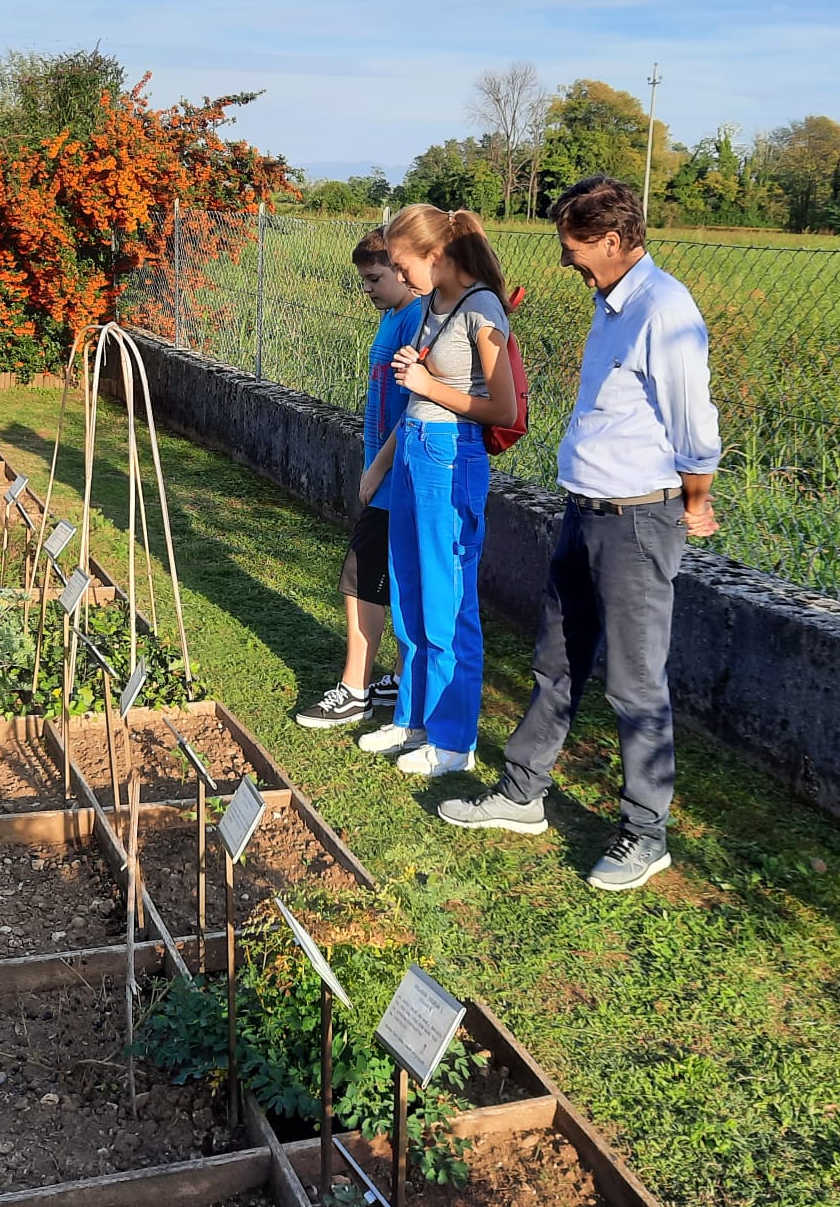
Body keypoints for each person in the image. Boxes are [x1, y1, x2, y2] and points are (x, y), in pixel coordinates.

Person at [438, 175, 721, 892]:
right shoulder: (611, 302)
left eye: (575, 247)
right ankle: (522, 793)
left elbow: (695, 423)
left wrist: (697, 500)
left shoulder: (665, 309)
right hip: (586, 511)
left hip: (638, 520)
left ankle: (644, 833)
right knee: (556, 660)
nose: (567, 260)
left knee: (634, 682)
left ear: (616, 240)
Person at [356, 204, 518, 776]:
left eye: (403, 264)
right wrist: (382, 461)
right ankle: (412, 719)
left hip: (452, 458)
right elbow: (420, 395)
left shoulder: (483, 309)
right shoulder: (431, 306)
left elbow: (503, 407)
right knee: (408, 594)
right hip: (413, 452)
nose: (399, 277)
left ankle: (454, 741)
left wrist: (426, 382)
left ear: (435, 256)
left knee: (448, 604)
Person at [295, 229, 425, 729]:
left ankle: (355, 689)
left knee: (361, 579)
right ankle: (393, 679)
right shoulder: (394, 315)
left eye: (374, 278)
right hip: (385, 473)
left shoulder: (416, 319)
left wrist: (378, 466)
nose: (366, 289)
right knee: (378, 576)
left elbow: (415, 407)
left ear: (403, 268)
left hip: (396, 478)